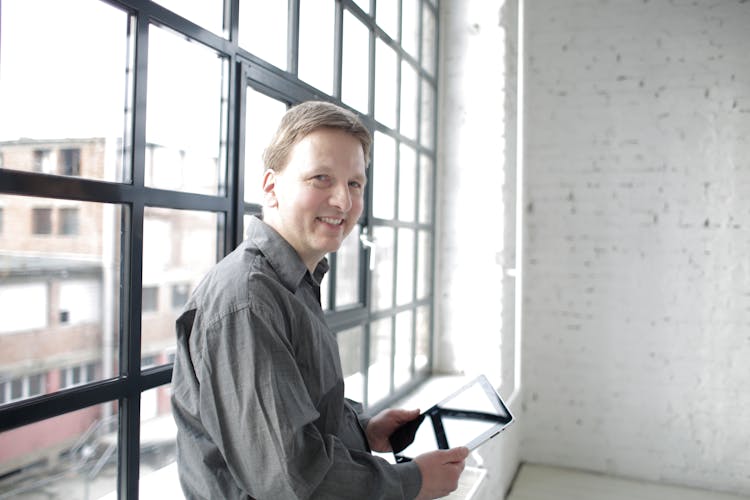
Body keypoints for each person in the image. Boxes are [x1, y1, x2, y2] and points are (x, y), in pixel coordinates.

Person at [171, 100, 469, 499]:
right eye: (321, 179)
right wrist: (413, 482)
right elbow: (290, 480)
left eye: (354, 184)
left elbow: (299, 411)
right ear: (272, 187)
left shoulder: (294, 281)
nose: (343, 202)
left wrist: (363, 430)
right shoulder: (247, 299)